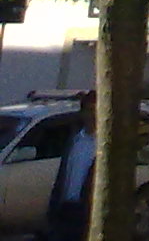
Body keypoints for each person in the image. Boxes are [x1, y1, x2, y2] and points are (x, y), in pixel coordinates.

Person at [44, 96, 96, 241]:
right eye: (89, 110)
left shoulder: (103, 146)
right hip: (64, 210)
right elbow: (62, 176)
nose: (93, 115)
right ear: (83, 113)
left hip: (87, 213)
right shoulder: (75, 141)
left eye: (96, 110)